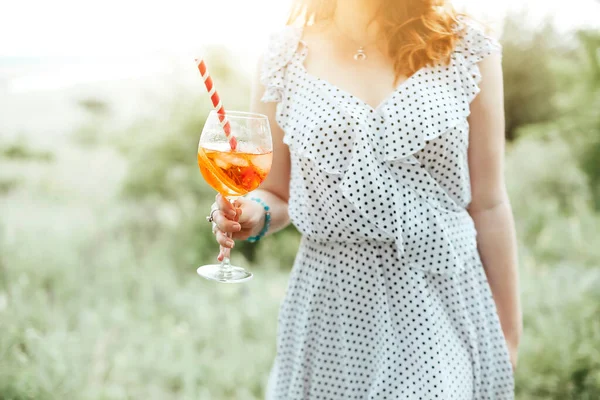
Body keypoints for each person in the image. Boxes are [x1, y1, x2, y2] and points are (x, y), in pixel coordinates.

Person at [210, 0, 522, 398]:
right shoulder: (283, 57)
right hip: (332, 310)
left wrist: (509, 334)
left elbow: (490, 203)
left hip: (440, 297)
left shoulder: (467, 46)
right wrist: (256, 212)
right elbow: (275, 193)